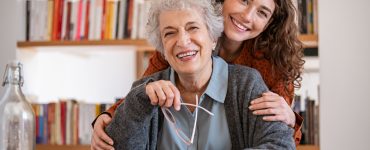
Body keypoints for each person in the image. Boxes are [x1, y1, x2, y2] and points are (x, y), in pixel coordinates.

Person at [91, 0, 304, 149]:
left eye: (262, 12)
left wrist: (290, 118)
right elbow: (143, 90)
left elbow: (280, 139)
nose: (247, 16)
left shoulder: (266, 68)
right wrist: (108, 116)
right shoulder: (168, 56)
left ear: (213, 36)